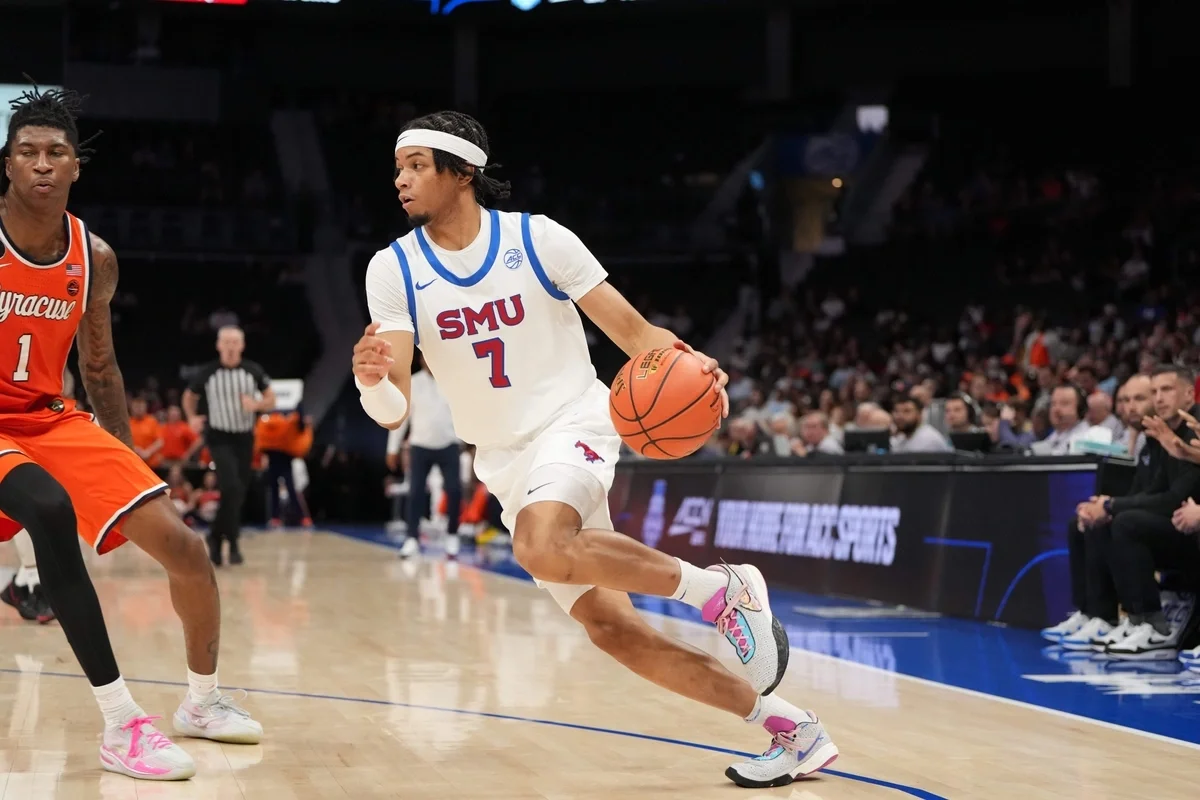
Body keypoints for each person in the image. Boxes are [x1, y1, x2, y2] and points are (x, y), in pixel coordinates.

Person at [354, 111, 836, 789]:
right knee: (616, 632)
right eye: (397, 168)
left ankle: (721, 591)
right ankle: (795, 730)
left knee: (539, 544)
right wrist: (371, 380)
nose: (399, 180)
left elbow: (635, 334)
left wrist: (695, 365)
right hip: (503, 459)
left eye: (415, 166)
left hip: (573, 419)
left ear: (462, 172)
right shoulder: (393, 268)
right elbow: (393, 407)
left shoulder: (538, 240)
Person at [0, 82, 261, 780]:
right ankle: (121, 725)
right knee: (48, 510)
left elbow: (100, 367)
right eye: (28, 151)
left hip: (48, 416)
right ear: (8, 163)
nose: (43, 163)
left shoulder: (95, 257)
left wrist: (124, 464)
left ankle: (201, 702)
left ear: (76, 167)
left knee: (185, 547)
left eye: (57, 152)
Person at [182, 326, 275, 565]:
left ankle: (220, 539)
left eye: (235, 342)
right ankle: (229, 541)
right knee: (231, 487)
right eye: (227, 342)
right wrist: (191, 417)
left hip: (244, 438)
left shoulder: (253, 370)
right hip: (218, 437)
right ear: (219, 345)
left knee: (237, 492)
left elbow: (271, 399)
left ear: (242, 346)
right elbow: (189, 396)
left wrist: (256, 405)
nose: (231, 347)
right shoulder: (209, 372)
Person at [386, 352, 462, 558]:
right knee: (415, 492)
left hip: (449, 444)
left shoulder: (452, 381)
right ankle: (412, 538)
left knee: (454, 490)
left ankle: (452, 535)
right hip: (420, 445)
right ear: (421, 360)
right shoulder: (412, 383)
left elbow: (464, 411)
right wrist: (392, 449)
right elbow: (401, 417)